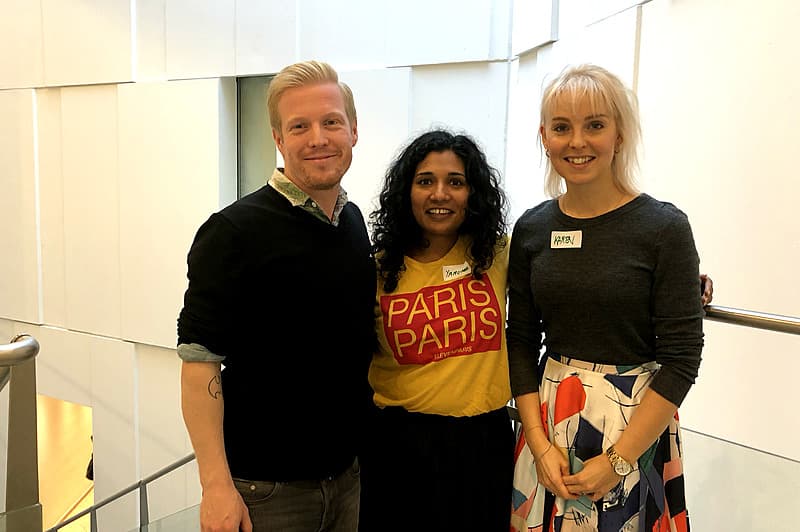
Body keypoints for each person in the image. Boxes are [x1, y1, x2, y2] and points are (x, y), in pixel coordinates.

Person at [177, 60, 376, 532]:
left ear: (353, 131)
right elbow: (199, 366)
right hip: (265, 494)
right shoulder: (231, 232)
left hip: (346, 480)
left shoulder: (352, 223)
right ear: (279, 139)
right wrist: (216, 487)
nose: (318, 138)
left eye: (331, 122)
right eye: (299, 126)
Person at [507, 64, 704, 531]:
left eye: (594, 125)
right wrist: (538, 442)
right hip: (548, 424)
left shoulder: (663, 228)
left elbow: (682, 358)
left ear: (618, 135)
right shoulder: (533, 229)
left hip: (636, 427)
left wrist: (617, 460)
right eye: (562, 128)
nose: (577, 142)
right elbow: (519, 340)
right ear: (544, 137)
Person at [359, 129, 515, 531]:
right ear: (406, 192)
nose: (440, 194)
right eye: (425, 181)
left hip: (483, 443)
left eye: (455, 182)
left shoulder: (498, 254)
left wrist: (682, 282)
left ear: (473, 194)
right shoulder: (377, 270)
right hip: (398, 447)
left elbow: (573, 280)